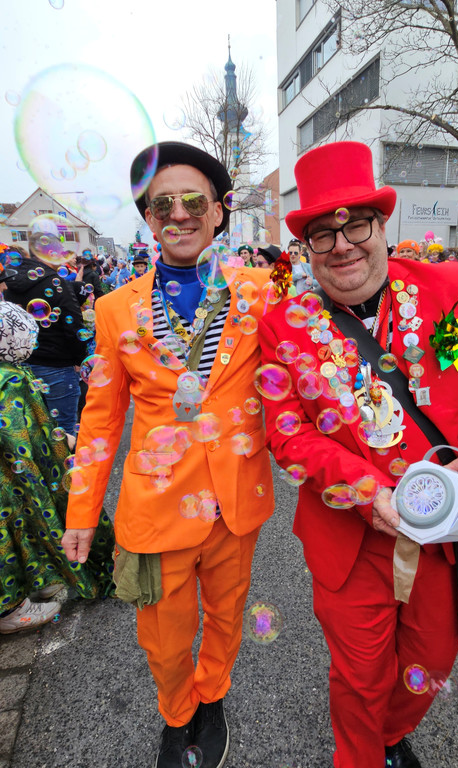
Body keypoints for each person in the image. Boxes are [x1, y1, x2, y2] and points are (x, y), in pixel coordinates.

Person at [258, 141, 458, 768]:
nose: (343, 245)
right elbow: (288, 435)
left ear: (383, 224)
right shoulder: (284, 326)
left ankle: (388, 737)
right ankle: (360, 756)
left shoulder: (451, 289)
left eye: (356, 222)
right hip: (350, 539)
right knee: (359, 677)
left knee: (433, 660)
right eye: (323, 234)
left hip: (447, 527)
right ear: (306, 246)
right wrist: (364, 490)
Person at [61, 141, 275, 768]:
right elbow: (100, 419)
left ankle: (212, 694)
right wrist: (81, 514)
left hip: (236, 502)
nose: (178, 215)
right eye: (163, 206)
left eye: (193, 202)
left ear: (218, 213)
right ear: (149, 220)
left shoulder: (262, 292)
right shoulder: (114, 309)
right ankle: (177, 710)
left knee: (229, 616)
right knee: (162, 637)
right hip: (156, 510)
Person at [0, 301, 114, 634]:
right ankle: (10, 606)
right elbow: (12, 433)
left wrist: (58, 436)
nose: (33, 344)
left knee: (23, 528)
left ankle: (37, 578)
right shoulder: (9, 378)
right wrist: (33, 467)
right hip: (16, 472)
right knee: (16, 527)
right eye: (29, 338)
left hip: (26, 465)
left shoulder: (12, 372)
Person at [4, 246, 88, 444]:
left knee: (33, 431)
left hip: (20, 366)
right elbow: (74, 326)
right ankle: (67, 475)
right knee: (63, 430)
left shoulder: (10, 283)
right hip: (57, 366)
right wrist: (79, 359)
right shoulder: (56, 282)